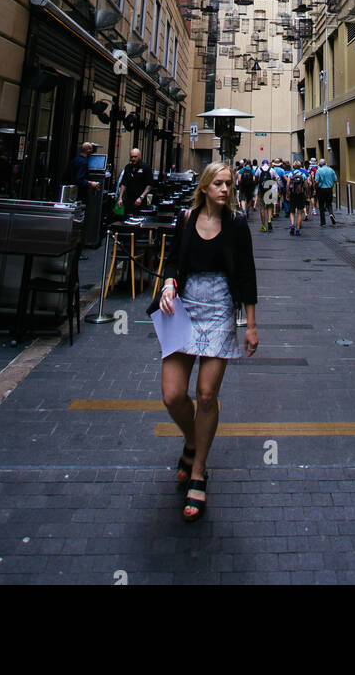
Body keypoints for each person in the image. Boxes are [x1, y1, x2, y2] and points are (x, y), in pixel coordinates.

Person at [157, 163, 258, 522]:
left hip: (219, 310)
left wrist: (250, 324)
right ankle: (192, 440)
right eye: (218, 183)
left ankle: (198, 470)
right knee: (172, 395)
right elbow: (170, 262)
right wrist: (169, 284)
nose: (226, 189)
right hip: (183, 308)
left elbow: (247, 273)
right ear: (204, 187)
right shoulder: (185, 219)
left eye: (229, 183)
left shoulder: (237, 225)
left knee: (205, 394)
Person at [116, 147, 153, 215]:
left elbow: (149, 185)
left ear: (139, 156)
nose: (133, 159)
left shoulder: (146, 167)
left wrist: (141, 197)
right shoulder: (128, 167)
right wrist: (120, 198)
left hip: (141, 200)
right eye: (131, 157)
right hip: (129, 199)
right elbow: (124, 183)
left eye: (135, 157)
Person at [315, 157, 338, 226]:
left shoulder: (319, 171)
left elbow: (316, 181)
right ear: (325, 163)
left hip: (321, 189)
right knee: (329, 203)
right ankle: (331, 214)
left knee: (321, 205)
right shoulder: (331, 170)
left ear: (319, 164)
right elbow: (335, 179)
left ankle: (323, 222)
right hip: (329, 189)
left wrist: (315, 187)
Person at [256, 160, 277, 233]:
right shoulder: (272, 170)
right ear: (268, 164)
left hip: (261, 190)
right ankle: (269, 220)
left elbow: (256, 179)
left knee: (262, 207)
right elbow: (274, 179)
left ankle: (264, 226)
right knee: (269, 206)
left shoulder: (259, 169)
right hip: (269, 190)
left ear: (262, 163)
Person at [288, 161, 307, 235]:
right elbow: (306, 185)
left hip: (293, 194)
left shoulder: (290, 174)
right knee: (299, 212)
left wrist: (287, 193)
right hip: (301, 194)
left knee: (292, 211)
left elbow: (287, 184)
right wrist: (307, 193)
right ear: (300, 167)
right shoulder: (303, 174)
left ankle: (292, 225)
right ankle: (298, 229)